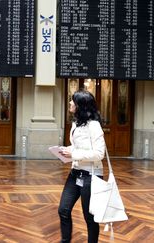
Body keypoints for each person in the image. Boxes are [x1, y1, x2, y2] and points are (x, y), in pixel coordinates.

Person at [58, 90, 106, 243]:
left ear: (81, 106)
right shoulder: (76, 124)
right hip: (75, 173)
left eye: (73, 101)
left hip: (91, 176)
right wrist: (66, 150)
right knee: (63, 210)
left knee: (89, 217)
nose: (70, 103)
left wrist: (74, 154)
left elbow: (99, 154)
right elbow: (77, 147)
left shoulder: (94, 126)